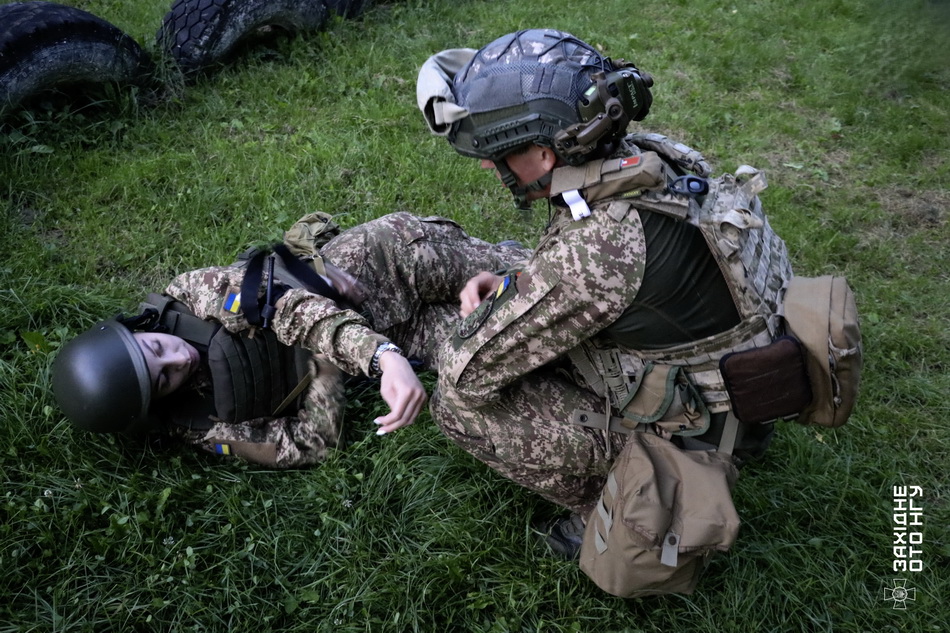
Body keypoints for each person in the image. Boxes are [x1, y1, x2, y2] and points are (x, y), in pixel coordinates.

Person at [417, 29, 795, 559]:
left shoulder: (597, 249)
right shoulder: (651, 157)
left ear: (547, 156)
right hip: (736, 386)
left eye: (496, 150)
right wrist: (514, 280)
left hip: (695, 429)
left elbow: (467, 368)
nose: (486, 164)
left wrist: (484, 317)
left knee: (458, 403)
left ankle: (618, 502)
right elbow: (609, 271)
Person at [52, 212, 529, 467]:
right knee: (509, 339)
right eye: (163, 381)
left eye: (155, 348)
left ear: (141, 328)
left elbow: (290, 308)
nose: (174, 359)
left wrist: (381, 357)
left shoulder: (191, 295)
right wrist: (324, 370)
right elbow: (310, 443)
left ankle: (498, 257)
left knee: (541, 280)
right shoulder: (203, 422)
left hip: (379, 265)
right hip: (398, 336)